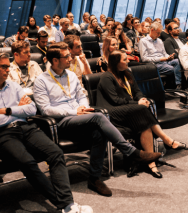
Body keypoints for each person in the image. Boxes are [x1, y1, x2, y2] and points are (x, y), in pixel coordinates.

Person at [0, 53, 100, 213]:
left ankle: (67, 207)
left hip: (26, 127)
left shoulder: (13, 85)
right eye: (3, 67)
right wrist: (19, 108)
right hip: (2, 135)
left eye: (8, 66)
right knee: (28, 162)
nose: (7, 70)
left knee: (55, 153)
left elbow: (32, 109)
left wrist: (9, 110)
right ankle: (67, 206)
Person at [34, 44, 162, 194]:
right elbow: (45, 109)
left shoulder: (71, 75)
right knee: (99, 117)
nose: (70, 58)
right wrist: (74, 112)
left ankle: (94, 179)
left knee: (99, 133)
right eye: (66, 56)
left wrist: (83, 107)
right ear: (55, 60)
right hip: (60, 122)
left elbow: (82, 96)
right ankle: (132, 152)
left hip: (81, 117)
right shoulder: (41, 81)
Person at [98, 50, 186, 178]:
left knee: (144, 122)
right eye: (124, 59)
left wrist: (140, 99)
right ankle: (167, 140)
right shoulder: (106, 77)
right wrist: (136, 104)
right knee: (142, 110)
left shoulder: (127, 73)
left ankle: (151, 163)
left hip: (129, 110)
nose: (128, 61)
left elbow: (138, 92)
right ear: (116, 62)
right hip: (112, 112)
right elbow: (115, 100)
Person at [139, 22, 182, 88]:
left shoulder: (159, 41)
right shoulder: (143, 41)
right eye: (158, 33)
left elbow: (164, 53)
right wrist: (161, 59)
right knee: (173, 69)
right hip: (154, 64)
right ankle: (177, 86)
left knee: (177, 61)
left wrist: (169, 56)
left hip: (164, 61)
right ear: (152, 30)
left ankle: (177, 84)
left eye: (160, 33)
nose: (159, 35)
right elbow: (144, 58)